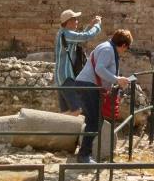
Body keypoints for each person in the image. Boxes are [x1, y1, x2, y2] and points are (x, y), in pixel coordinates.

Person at [74, 28, 135, 164]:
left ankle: (85, 153)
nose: (125, 51)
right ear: (124, 45)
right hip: (88, 85)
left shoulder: (107, 47)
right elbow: (100, 69)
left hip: (89, 85)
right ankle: (84, 155)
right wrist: (117, 79)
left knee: (95, 120)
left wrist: (116, 81)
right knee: (94, 121)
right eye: (127, 48)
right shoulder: (108, 50)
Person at [55, 10, 101, 113]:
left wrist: (90, 25)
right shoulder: (67, 34)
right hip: (67, 78)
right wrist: (97, 26)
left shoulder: (63, 33)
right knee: (77, 110)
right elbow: (85, 37)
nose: (77, 21)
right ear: (69, 21)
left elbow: (79, 37)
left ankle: (64, 129)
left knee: (66, 112)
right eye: (75, 19)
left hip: (61, 78)